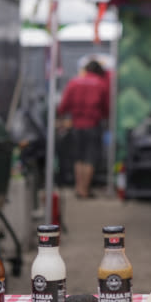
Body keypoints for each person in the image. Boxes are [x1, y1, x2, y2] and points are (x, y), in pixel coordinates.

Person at [57, 59, 109, 198]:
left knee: (78, 157)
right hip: (93, 125)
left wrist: (62, 117)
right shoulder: (101, 84)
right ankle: (85, 190)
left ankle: (78, 188)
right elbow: (106, 107)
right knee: (90, 158)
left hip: (76, 126)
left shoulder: (74, 82)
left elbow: (63, 105)